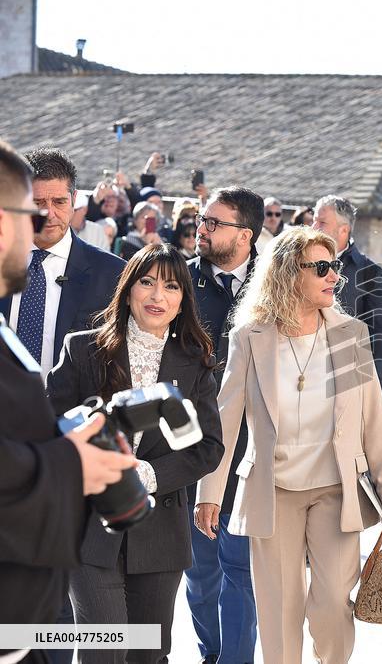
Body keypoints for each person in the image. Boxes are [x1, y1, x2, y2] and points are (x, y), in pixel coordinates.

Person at [195, 227, 382, 664]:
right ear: (290, 273)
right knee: (279, 614)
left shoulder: (349, 334)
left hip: (336, 489)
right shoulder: (250, 336)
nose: (334, 278)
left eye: (335, 269)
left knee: (330, 606)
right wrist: (210, 493)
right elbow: (225, 419)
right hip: (273, 492)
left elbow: (372, 420)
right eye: (322, 268)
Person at [46, 243, 225, 663]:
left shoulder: (196, 363)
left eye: (171, 286)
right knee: (104, 652)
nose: (157, 296)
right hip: (89, 529)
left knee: (147, 654)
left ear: (183, 301)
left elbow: (208, 447)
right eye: (146, 283)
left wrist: (149, 473)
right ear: (128, 291)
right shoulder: (83, 349)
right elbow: (47, 429)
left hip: (160, 535)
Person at [0, 137, 137, 664]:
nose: (41, 218)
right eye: (28, 208)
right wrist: (66, 462)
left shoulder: (107, 273)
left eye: (56, 204)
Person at [185, 186, 264, 664]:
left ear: (246, 234)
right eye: (201, 219)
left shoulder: (277, 283)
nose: (202, 228)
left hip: (253, 449)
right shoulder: (177, 281)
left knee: (242, 568)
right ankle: (212, 652)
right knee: (200, 572)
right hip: (190, 444)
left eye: (214, 222)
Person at [0, 147, 125, 379]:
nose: (49, 213)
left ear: (74, 200)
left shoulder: (111, 274)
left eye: (59, 202)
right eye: (38, 202)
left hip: (73, 411)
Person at [312, 195, 382, 384]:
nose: (313, 227)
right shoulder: (302, 263)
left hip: (346, 373)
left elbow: (379, 329)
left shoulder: (368, 270)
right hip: (305, 368)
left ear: (343, 230)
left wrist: (376, 380)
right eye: (314, 220)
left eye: (321, 222)